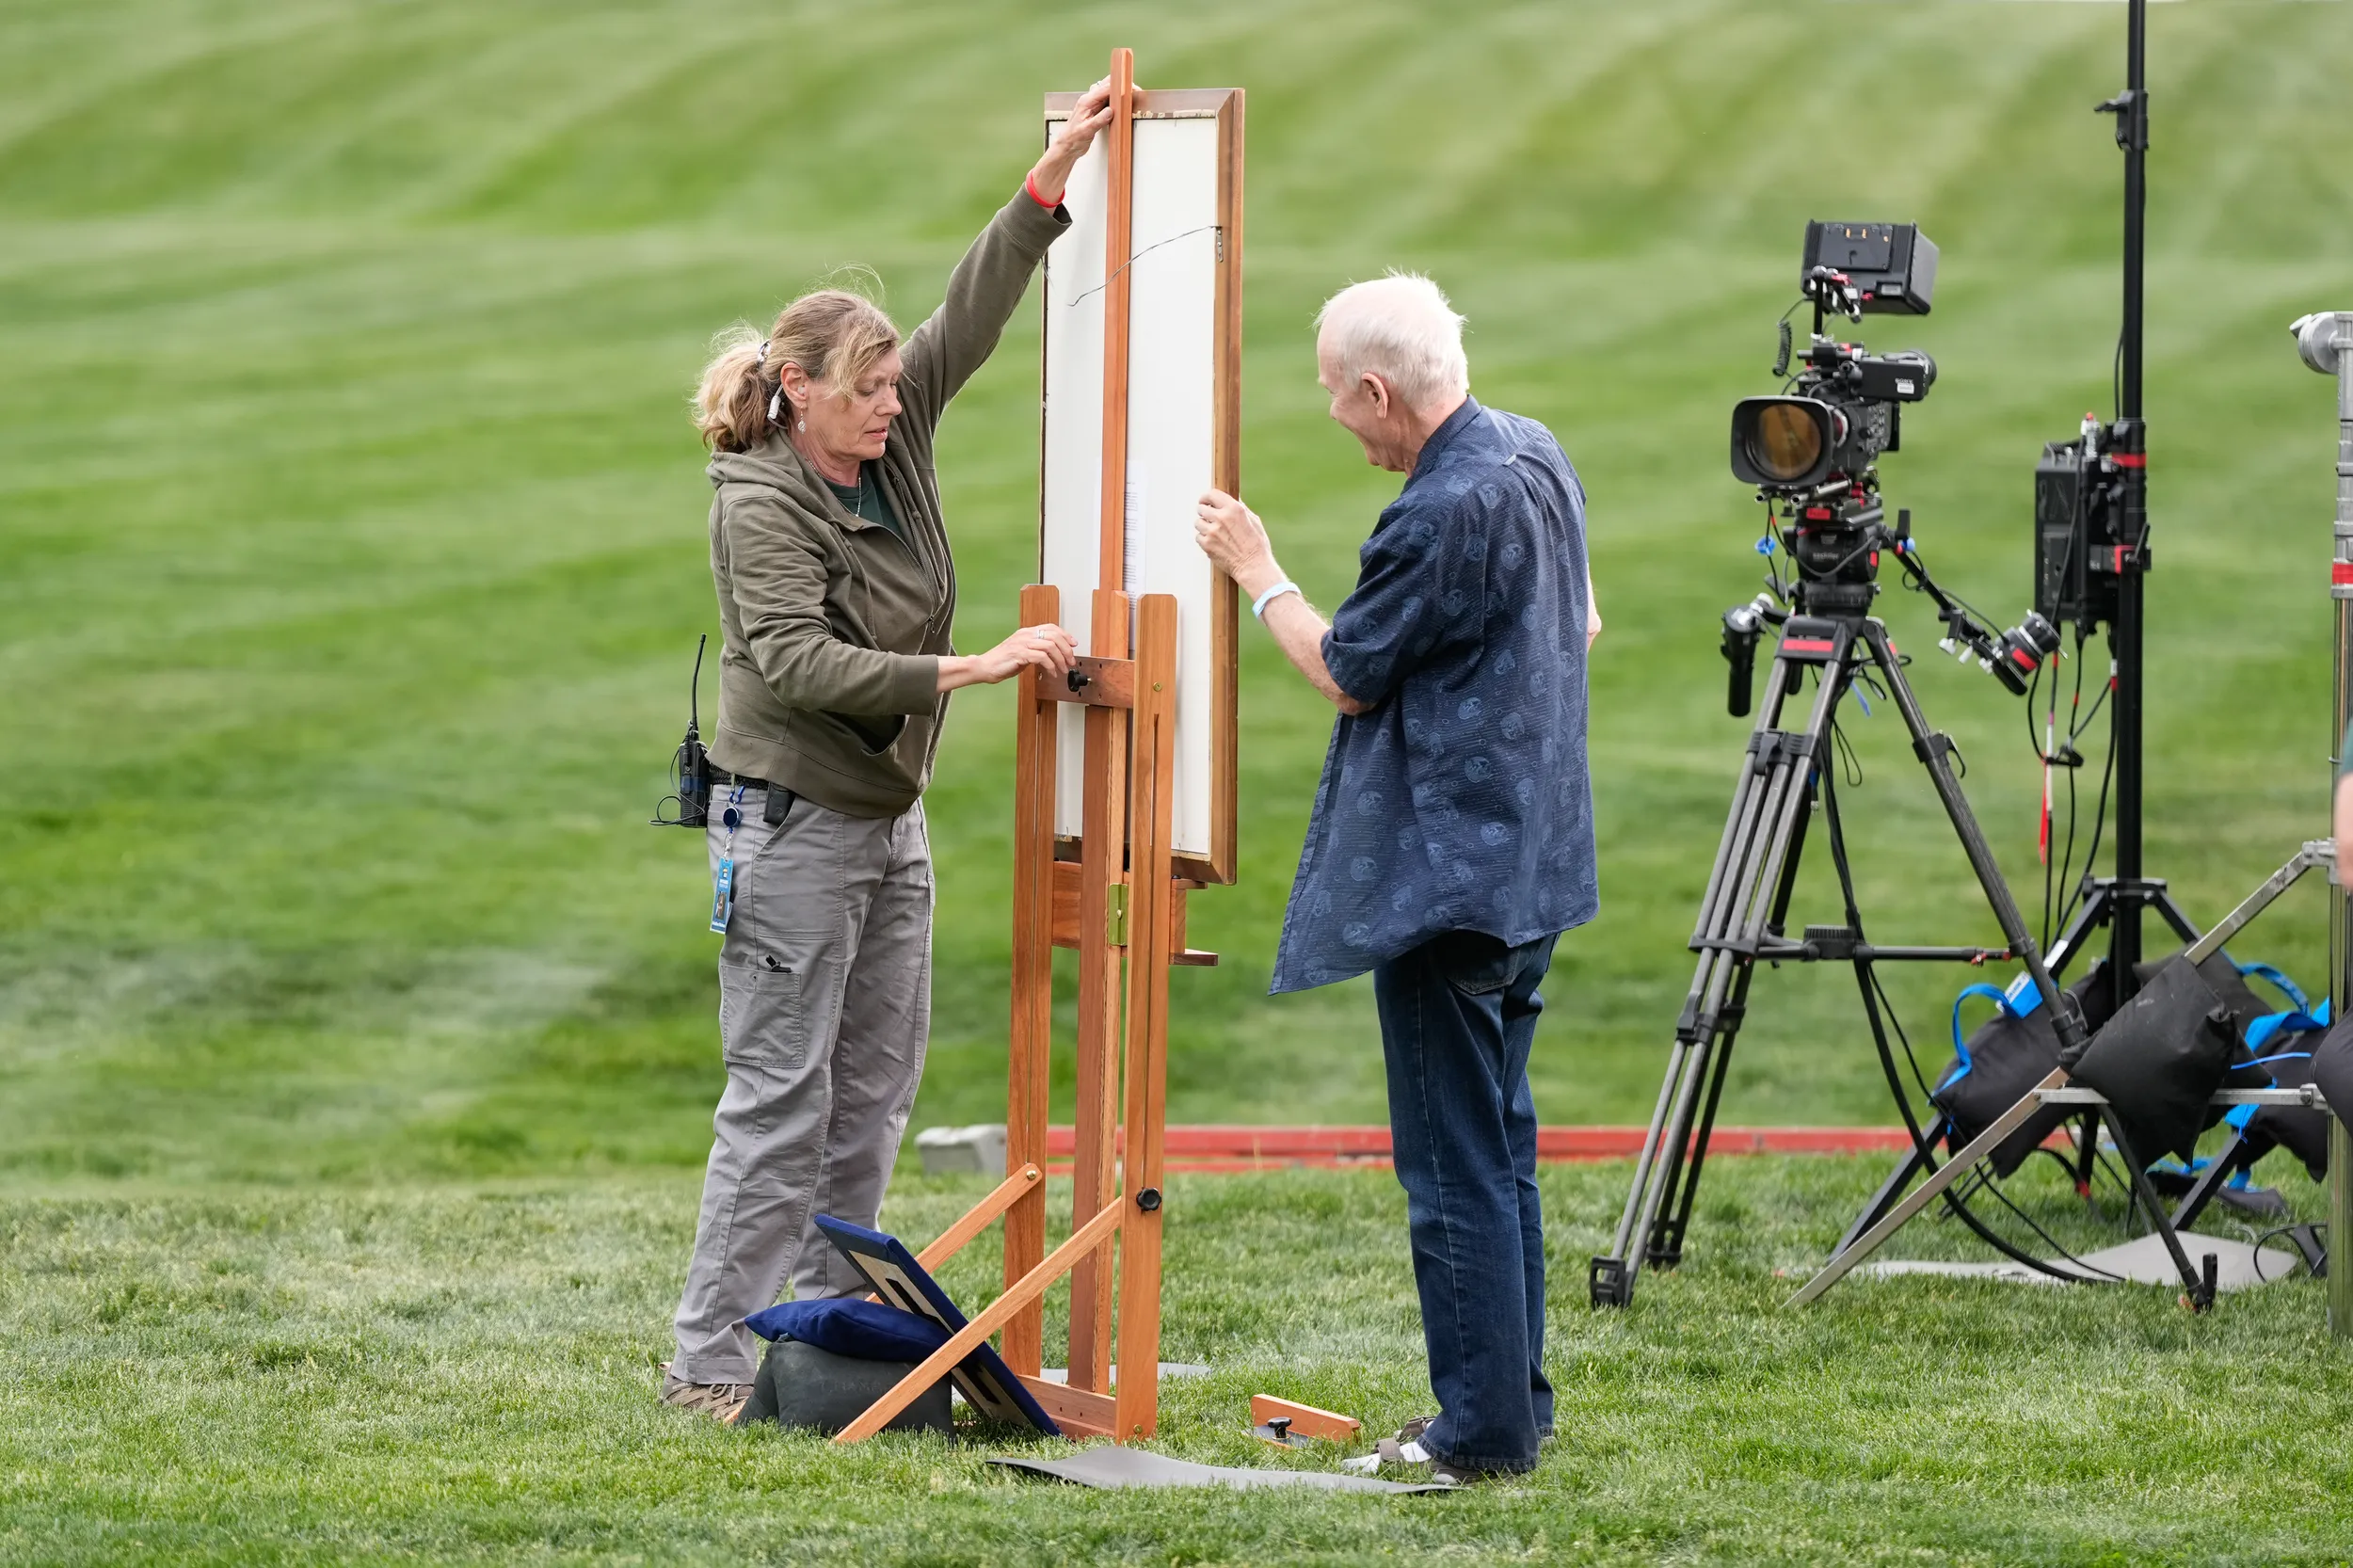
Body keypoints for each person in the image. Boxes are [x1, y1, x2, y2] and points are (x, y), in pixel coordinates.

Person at [661, 82, 1115, 1424]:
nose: (889, 407)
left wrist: (1048, 181)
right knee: (779, 1097)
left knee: (871, 1095)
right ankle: (708, 1359)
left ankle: (814, 1337)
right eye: (863, 392)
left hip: (885, 818)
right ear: (795, 392)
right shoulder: (757, 500)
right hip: (789, 822)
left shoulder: (892, 425)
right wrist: (972, 668)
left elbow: (967, 312)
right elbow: (800, 664)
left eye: (892, 387)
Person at [1193, 274, 1599, 1482]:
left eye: (1334, 393)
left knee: (1450, 1165)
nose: (1333, 414)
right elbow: (1580, 624)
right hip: (1533, 862)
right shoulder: (1535, 451)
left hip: (1447, 885)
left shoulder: (1437, 509)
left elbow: (1348, 672)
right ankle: (1514, 1405)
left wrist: (1256, 569)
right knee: (1500, 1146)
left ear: (1377, 391)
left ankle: (1477, 1434)